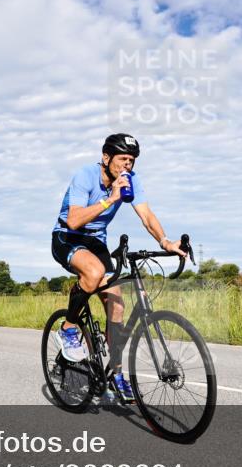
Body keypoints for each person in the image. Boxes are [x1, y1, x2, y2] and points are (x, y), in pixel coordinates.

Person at [50, 133, 184, 402]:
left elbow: (146, 214)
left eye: (132, 160)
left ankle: (117, 373)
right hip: (68, 237)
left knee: (117, 305)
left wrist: (165, 240)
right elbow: (74, 220)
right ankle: (68, 328)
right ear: (106, 157)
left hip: (97, 242)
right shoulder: (85, 176)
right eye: (123, 159)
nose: (128, 165)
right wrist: (110, 199)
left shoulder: (131, 181)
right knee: (94, 272)